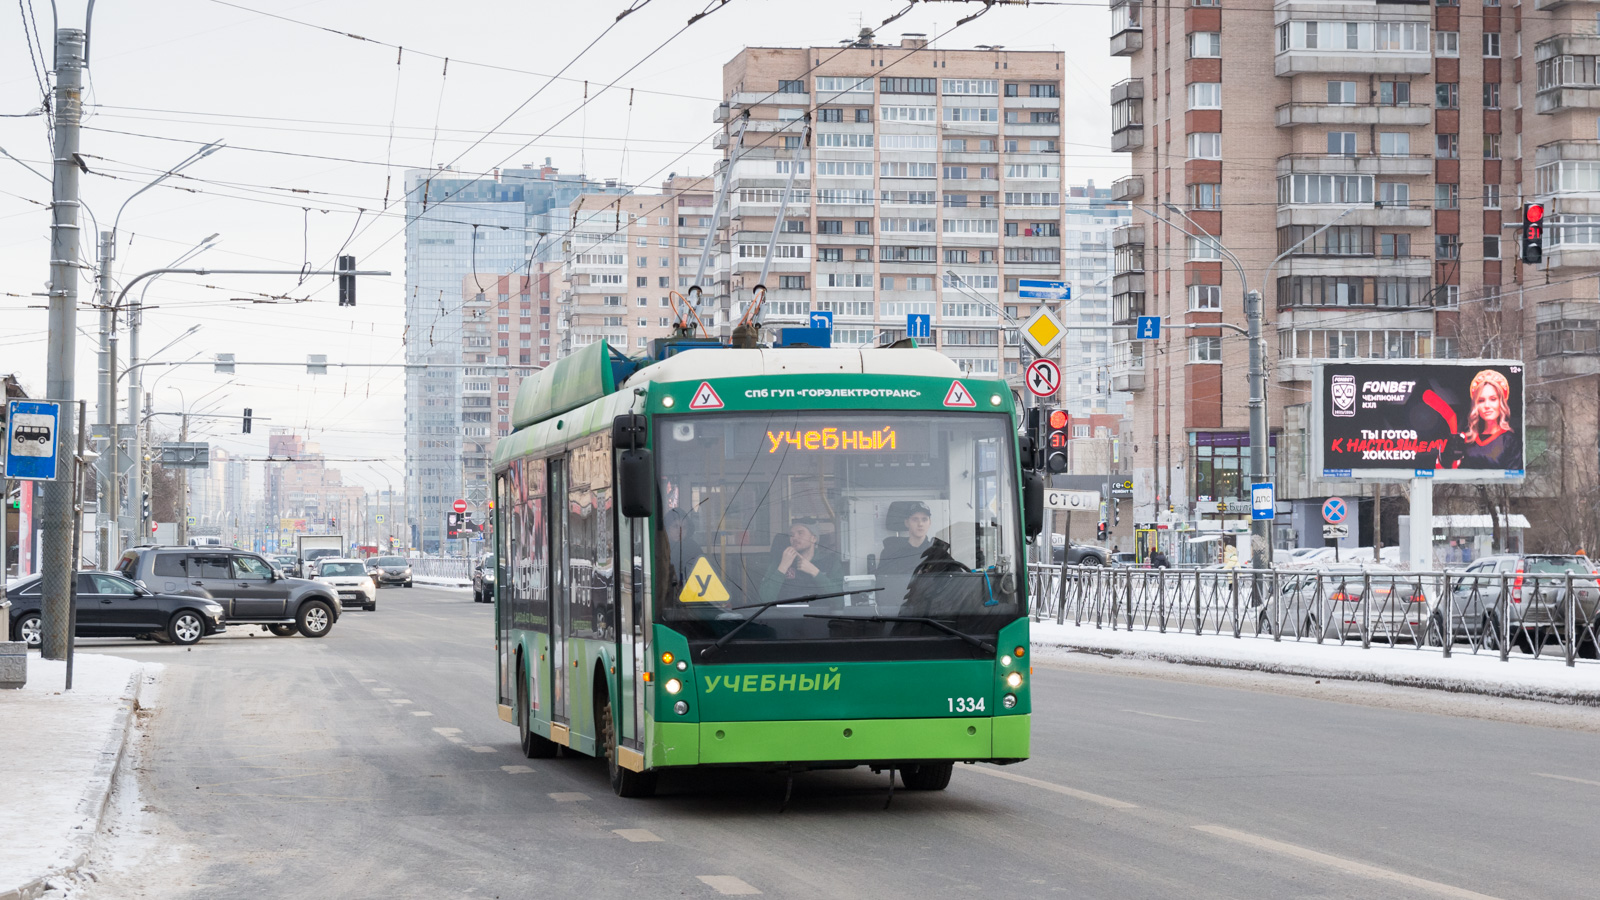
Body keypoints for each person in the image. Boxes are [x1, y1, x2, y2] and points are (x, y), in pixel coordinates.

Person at [1440, 370, 1522, 470]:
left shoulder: (1509, 440)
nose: (1487, 406)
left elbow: (1513, 478)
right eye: (1481, 400)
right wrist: (1446, 459)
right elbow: (1449, 474)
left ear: (1501, 403)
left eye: (1493, 399)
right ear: (1476, 406)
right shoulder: (1467, 439)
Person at [759, 521, 842, 603]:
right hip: (785, 615)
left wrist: (814, 572)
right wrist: (783, 566)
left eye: (800, 533)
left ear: (813, 538)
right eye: (791, 535)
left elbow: (839, 602)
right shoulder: (779, 562)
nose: (794, 538)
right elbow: (764, 600)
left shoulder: (831, 562)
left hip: (819, 615)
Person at [877, 502, 952, 576]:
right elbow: (882, 583)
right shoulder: (891, 552)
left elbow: (957, 582)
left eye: (924, 519)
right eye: (915, 519)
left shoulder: (938, 552)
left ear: (929, 523)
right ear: (907, 523)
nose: (920, 524)